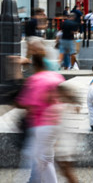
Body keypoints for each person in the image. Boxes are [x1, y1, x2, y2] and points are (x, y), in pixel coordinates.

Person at [15, 51, 64, 183]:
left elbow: (25, 103)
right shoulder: (56, 77)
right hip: (55, 123)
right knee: (42, 158)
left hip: (41, 124)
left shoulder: (35, 80)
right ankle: (33, 180)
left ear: (34, 65)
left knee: (41, 159)